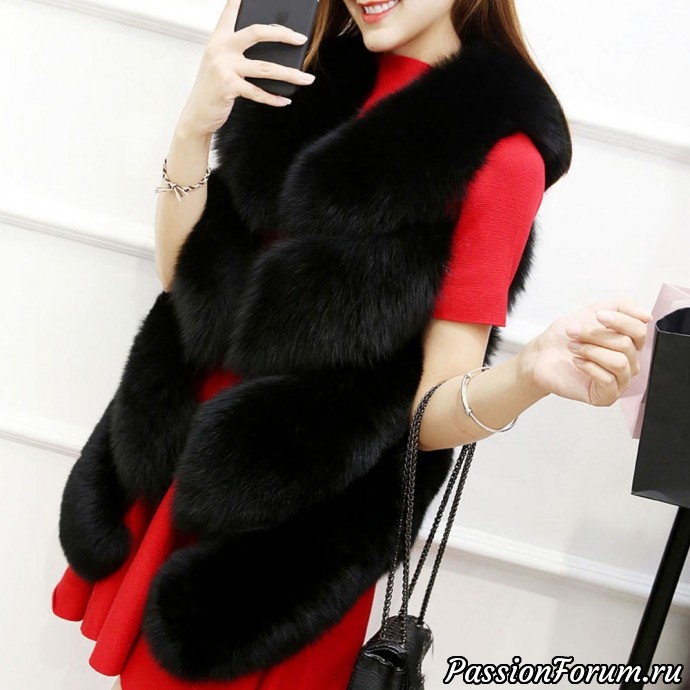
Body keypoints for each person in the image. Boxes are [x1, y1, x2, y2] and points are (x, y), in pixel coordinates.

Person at [52, 0, 652, 689]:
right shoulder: (303, 71)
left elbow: (430, 412)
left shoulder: (499, 156)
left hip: (292, 532)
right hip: (175, 455)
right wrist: (195, 123)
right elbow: (183, 280)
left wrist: (529, 374)